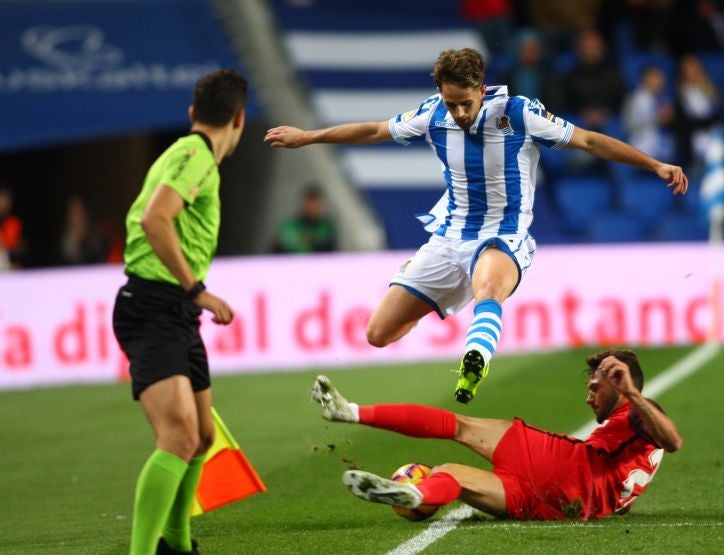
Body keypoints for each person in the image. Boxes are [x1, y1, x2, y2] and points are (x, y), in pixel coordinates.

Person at [265, 48, 687, 404]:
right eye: (452, 103)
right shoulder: (433, 115)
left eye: (466, 102)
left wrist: (654, 164)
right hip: (448, 239)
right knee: (378, 333)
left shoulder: (519, 114)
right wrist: (308, 136)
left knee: (488, 285)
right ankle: (436, 305)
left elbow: (591, 141)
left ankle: (476, 360)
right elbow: (375, 129)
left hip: (503, 236)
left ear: (482, 90)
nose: (460, 111)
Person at [112, 69, 247, 555]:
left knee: (204, 435)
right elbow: (155, 219)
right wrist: (197, 291)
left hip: (171, 311)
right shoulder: (195, 155)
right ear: (240, 119)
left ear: (193, 113)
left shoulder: (186, 153)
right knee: (178, 436)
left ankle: (176, 543)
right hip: (154, 306)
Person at [309, 349, 683, 520]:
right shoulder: (637, 442)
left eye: (596, 387)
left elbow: (673, 441)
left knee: (460, 426)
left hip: (566, 465)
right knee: (451, 474)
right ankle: (417, 493)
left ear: (621, 385)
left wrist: (632, 393)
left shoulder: (638, 410)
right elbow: (632, 480)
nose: (589, 396)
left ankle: (351, 412)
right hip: (562, 507)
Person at [272, 186, 337, 254]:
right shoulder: (288, 226)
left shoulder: (327, 228)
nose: (312, 208)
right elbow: (275, 249)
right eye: (309, 203)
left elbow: (329, 252)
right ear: (302, 204)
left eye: (315, 204)